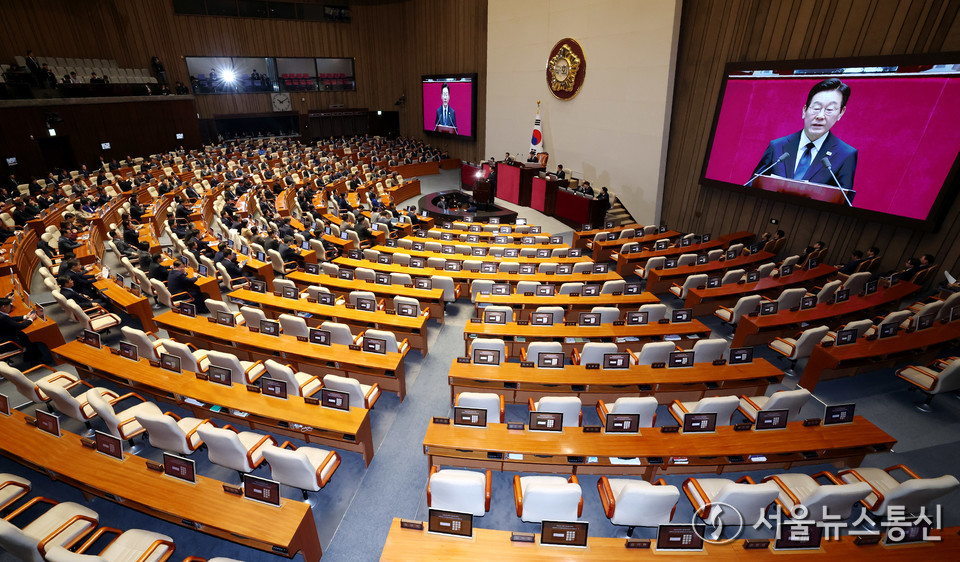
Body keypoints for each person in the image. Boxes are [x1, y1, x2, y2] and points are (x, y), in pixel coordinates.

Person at [751, 78, 857, 204]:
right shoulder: (777, 146)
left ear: (840, 113)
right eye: (816, 108)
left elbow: (842, 204)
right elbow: (752, 187)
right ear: (804, 111)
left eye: (829, 110)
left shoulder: (846, 155)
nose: (820, 116)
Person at [0, 297, 42, 365]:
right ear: (4, 307)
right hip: (8, 344)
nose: (10, 307)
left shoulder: (2, 316)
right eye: (9, 306)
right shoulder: (2, 318)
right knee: (30, 339)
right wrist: (31, 319)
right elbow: (20, 326)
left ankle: (28, 358)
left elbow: (10, 319)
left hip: (3, 338)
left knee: (24, 335)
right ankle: (35, 361)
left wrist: (25, 317)